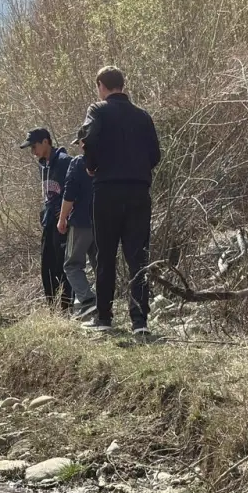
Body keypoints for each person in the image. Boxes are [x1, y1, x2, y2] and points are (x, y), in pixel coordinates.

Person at [79, 66, 162, 334]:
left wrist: (91, 165)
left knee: (106, 255)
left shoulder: (97, 110)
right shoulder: (143, 116)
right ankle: (140, 322)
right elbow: (155, 155)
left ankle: (104, 318)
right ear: (122, 85)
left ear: (102, 85)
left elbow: (88, 139)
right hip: (139, 191)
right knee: (138, 257)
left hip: (107, 190)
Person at [19, 128, 73, 311]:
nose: (33, 152)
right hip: (48, 221)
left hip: (63, 222)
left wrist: (66, 214)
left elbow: (76, 189)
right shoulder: (42, 166)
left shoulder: (66, 162)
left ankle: (66, 308)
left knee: (62, 265)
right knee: (47, 267)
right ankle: (53, 308)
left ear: (45, 142)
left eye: (34, 146)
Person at [57, 126, 98, 319]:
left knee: (72, 265)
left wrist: (62, 218)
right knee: (101, 265)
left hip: (81, 221)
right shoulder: (109, 163)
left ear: (83, 143)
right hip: (104, 222)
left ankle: (88, 301)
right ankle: (104, 307)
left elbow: (69, 194)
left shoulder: (77, 163)